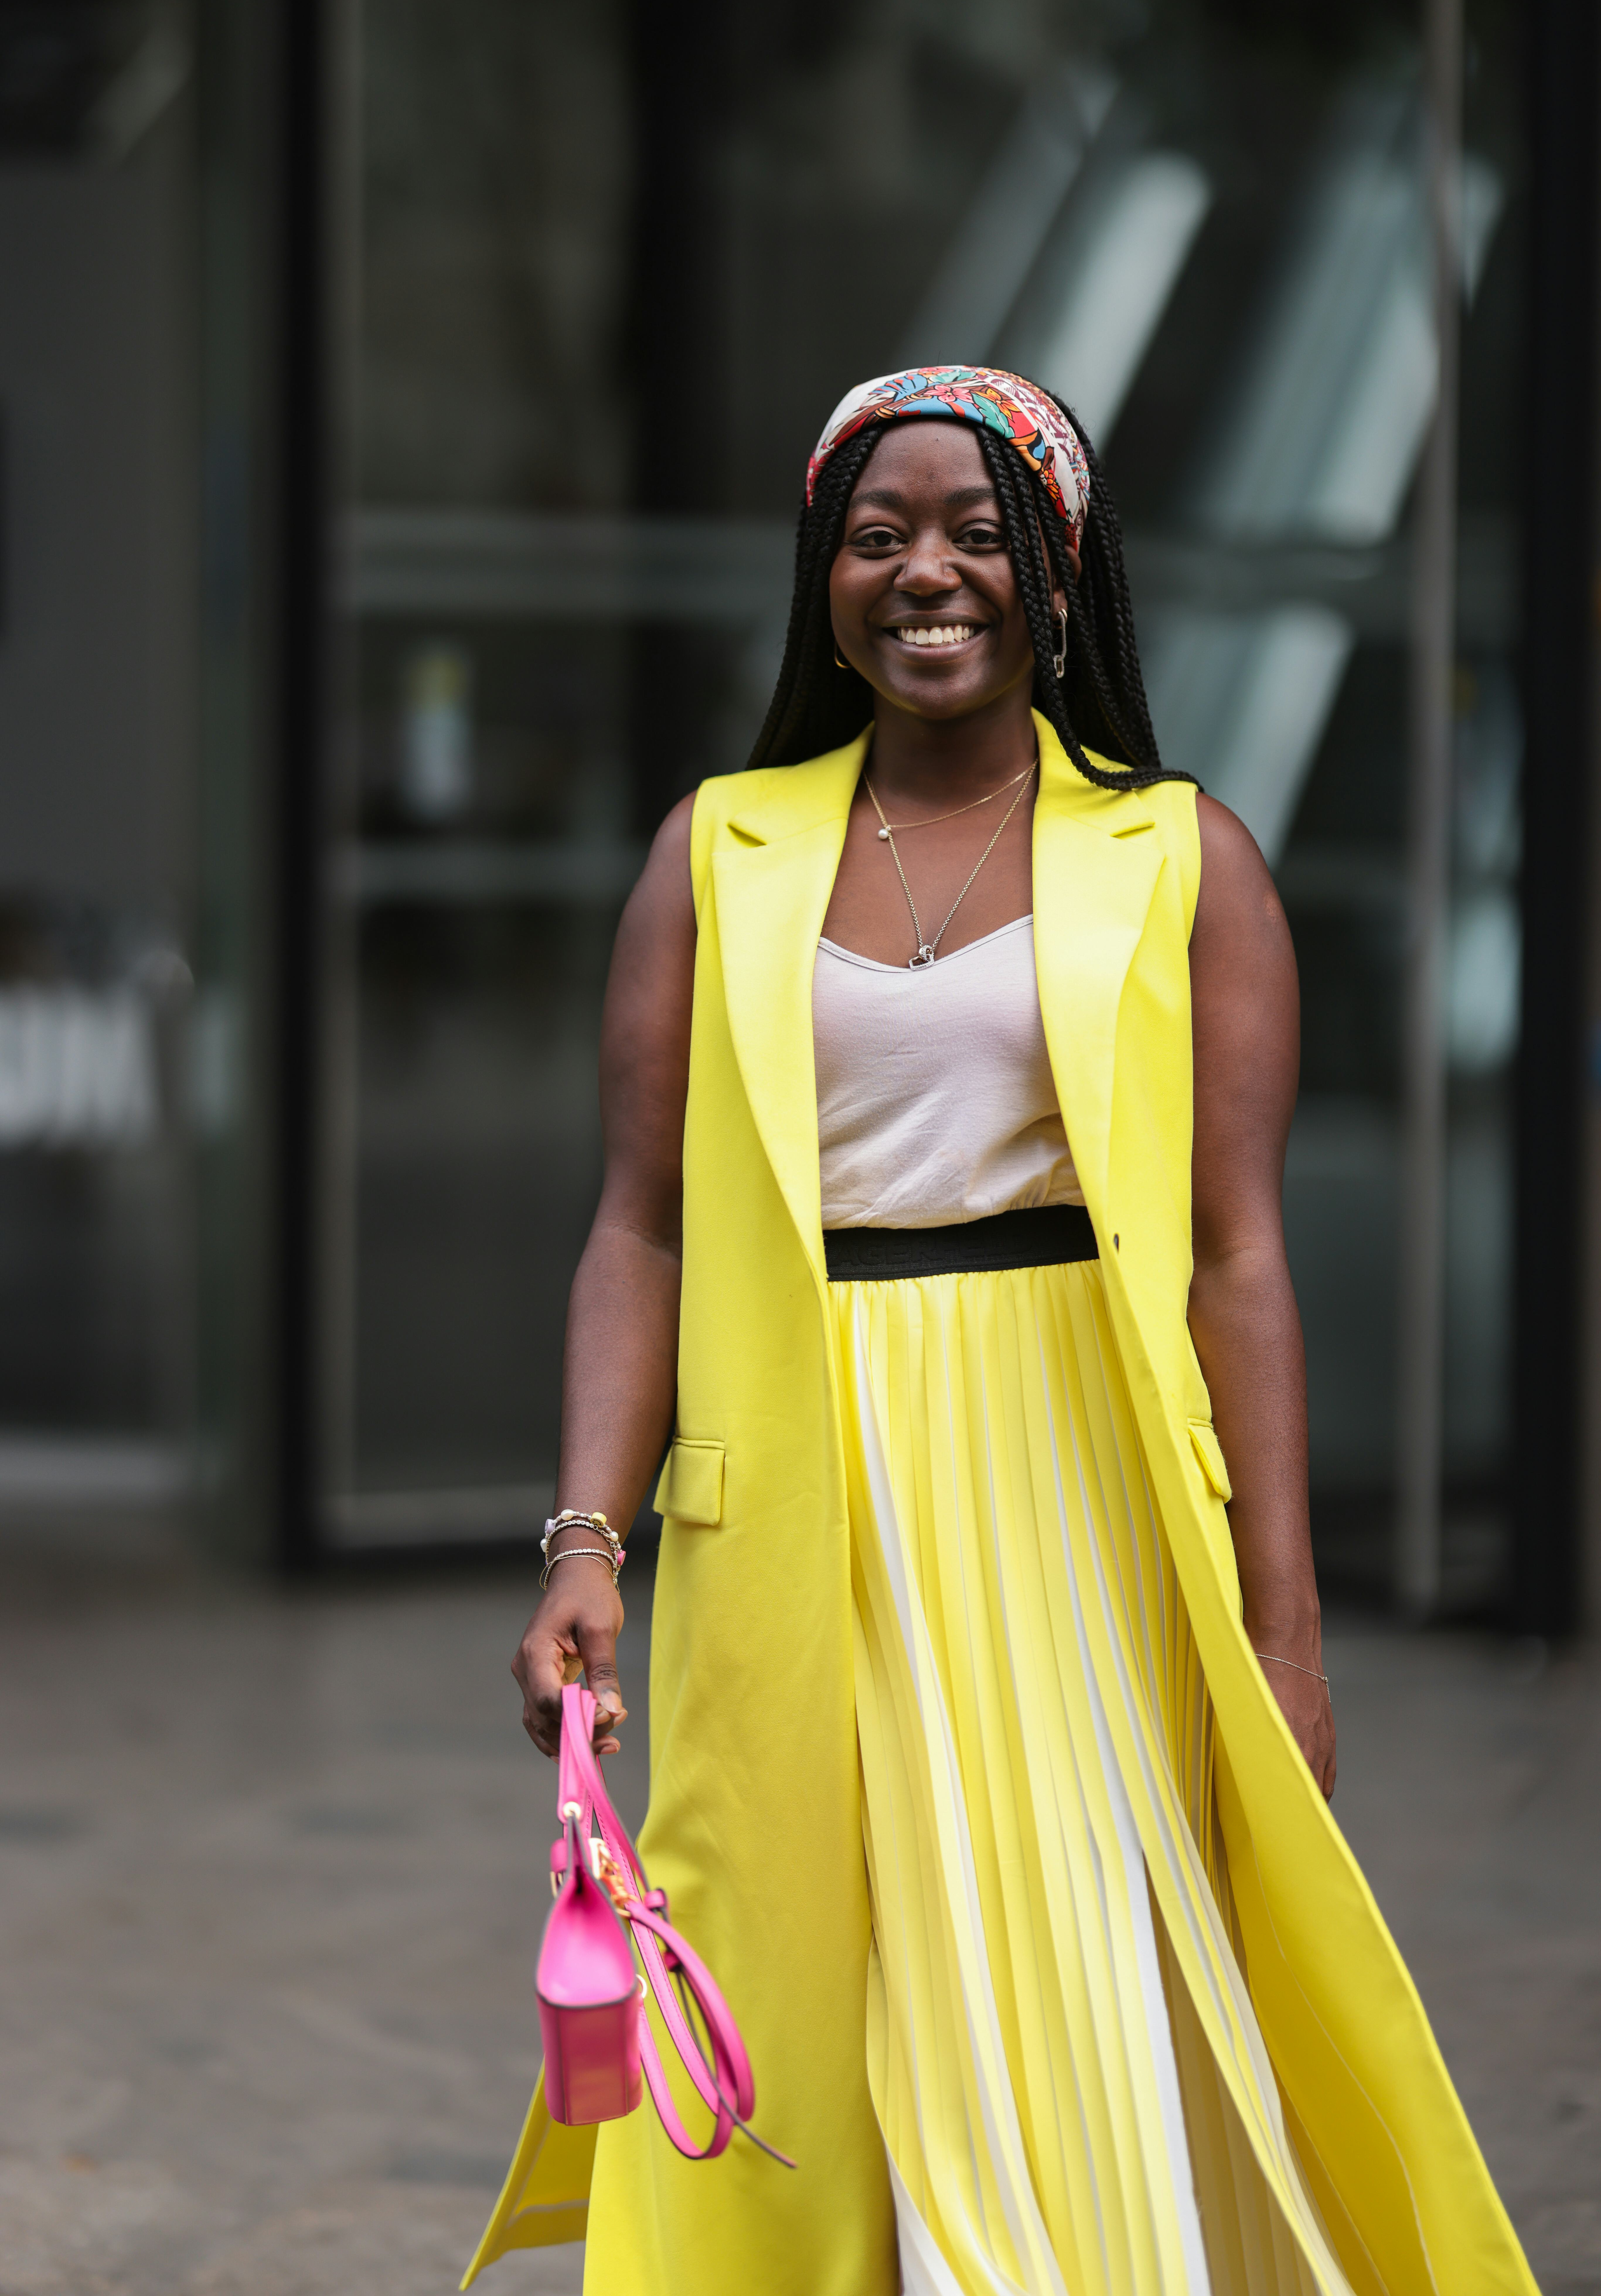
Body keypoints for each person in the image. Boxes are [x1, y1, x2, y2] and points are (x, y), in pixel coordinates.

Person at [465, 368, 1535, 2296]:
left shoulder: (1176, 858)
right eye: (878, 538)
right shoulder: (719, 856)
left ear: (1056, 572)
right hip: (792, 1494)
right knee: (798, 1968)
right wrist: (580, 1542)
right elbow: (641, 1226)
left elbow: (1238, 1263)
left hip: (1080, 1492)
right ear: (826, 578)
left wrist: (1280, 1638)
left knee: (1065, 1960)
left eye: (977, 533)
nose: (926, 573)